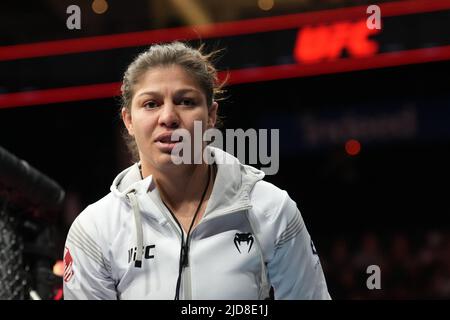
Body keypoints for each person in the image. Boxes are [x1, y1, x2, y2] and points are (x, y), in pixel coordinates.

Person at [63, 41, 331, 300]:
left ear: (211, 115)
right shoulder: (94, 230)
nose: (168, 117)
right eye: (151, 104)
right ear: (129, 120)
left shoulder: (271, 209)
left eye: (186, 102)